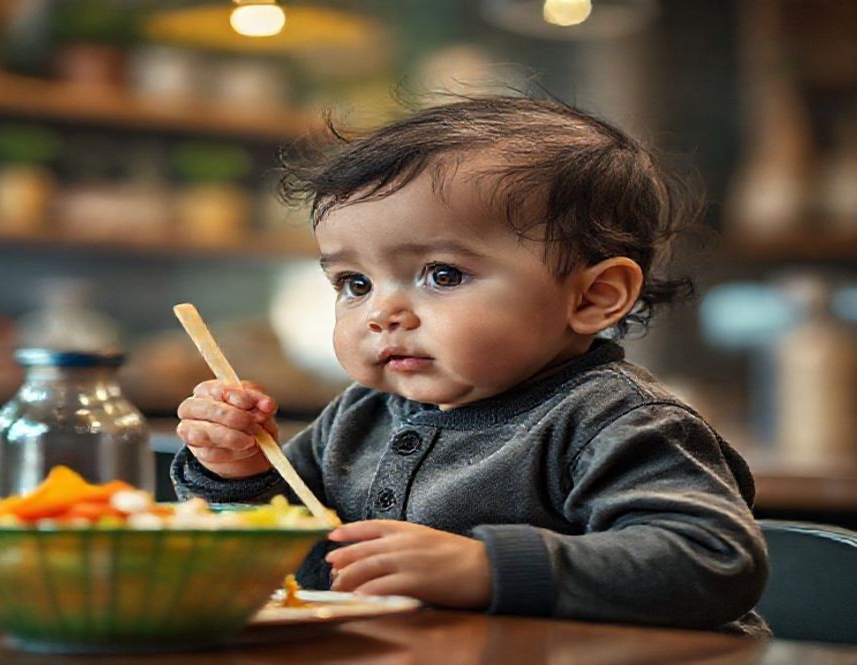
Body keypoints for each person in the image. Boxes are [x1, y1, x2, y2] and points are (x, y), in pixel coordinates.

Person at [171, 95, 769, 636]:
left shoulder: (614, 421)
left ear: (593, 296)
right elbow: (287, 562)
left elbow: (712, 560)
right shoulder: (360, 414)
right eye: (354, 282)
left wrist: (486, 568)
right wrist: (240, 473)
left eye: (442, 274)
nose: (381, 312)